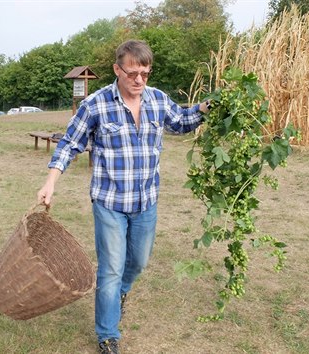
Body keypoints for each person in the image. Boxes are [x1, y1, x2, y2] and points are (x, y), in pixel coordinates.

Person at [37, 39, 211, 353]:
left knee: (139, 262)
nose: (139, 80)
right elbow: (69, 144)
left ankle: (119, 293)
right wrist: (51, 182)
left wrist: (202, 110)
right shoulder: (96, 104)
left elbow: (181, 121)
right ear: (118, 69)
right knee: (111, 268)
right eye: (132, 72)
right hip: (109, 202)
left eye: (145, 72)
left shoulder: (157, 100)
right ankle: (108, 335)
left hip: (146, 200)